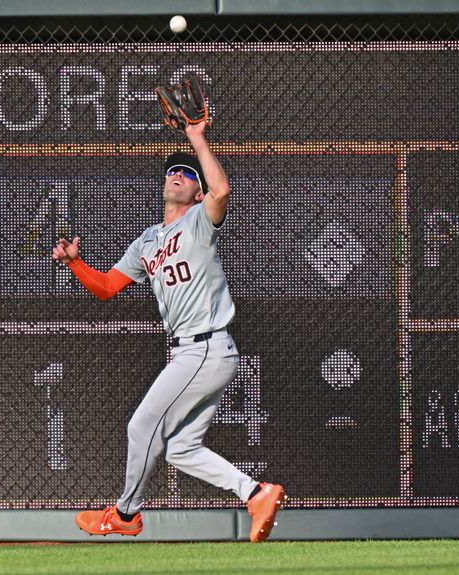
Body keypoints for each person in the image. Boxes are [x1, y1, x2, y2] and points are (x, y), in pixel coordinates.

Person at [51, 120, 285, 542]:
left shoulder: (198, 221)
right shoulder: (147, 241)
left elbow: (223, 193)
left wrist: (196, 139)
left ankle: (125, 513)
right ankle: (256, 492)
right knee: (179, 449)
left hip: (205, 347)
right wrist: (74, 264)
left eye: (188, 172)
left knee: (142, 426)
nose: (177, 174)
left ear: (197, 192)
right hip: (195, 355)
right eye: (172, 171)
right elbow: (106, 288)